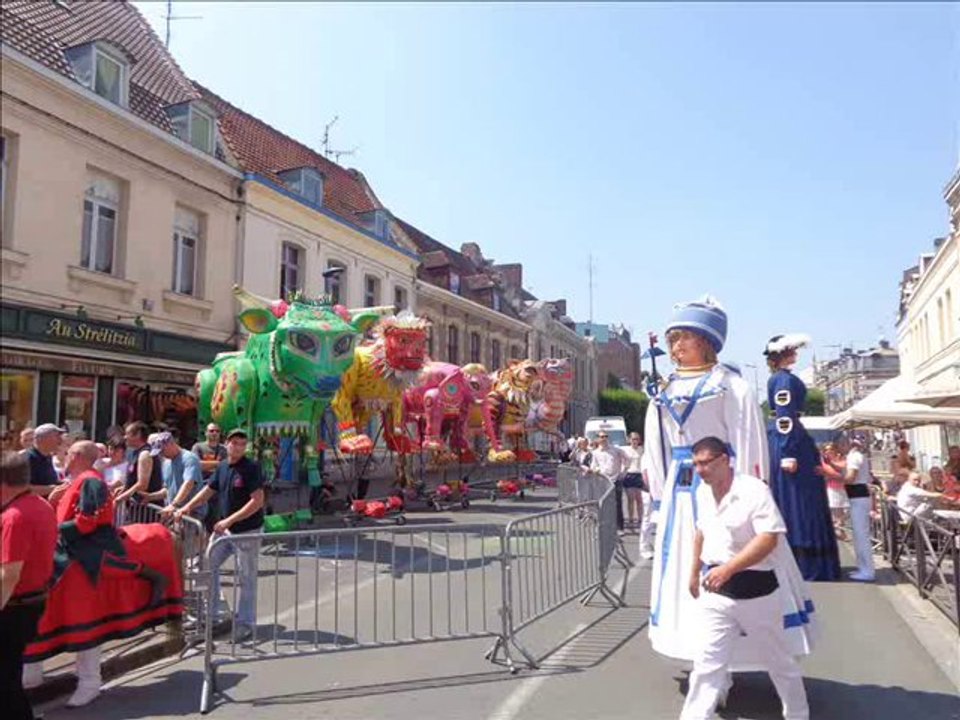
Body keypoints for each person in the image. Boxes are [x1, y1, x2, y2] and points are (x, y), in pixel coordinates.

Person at [643, 296, 813, 666]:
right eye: (672, 339)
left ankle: (740, 655)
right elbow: (656, 446)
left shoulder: (731, 386)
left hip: (723, 485)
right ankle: (699, 653)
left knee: (731, 559)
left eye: (684, 337)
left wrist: (750, 493)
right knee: (683, 564)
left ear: (706, 340)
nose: (676, 346)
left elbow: (748, 439)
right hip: (679, 494)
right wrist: (658, 497)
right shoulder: (663, 389)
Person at [23, 440, 180, 707]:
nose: (64, 457)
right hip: (68, 544)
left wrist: (56, 531)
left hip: (89, 546)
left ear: (78, 456)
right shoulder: (74, 481)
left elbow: (88, 521)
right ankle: (31, 673)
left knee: (86, 608)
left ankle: (89, 682)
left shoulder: (91, 482)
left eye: (68, 454)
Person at [681, 436, 810, 720]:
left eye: (705, 463)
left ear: (724, 460)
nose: (700, 470)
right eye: (696, 464)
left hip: (757, 591)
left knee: (779, 663)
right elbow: (701, 532)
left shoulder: (753, 490)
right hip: (716, 592)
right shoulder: (702, 492)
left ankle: (797, 715)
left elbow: (768, 538)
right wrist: (693, 571)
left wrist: (729, 568)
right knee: (706, 666)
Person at [173, 429, 264, 640]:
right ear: (227, 444)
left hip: (247, 531)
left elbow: (257, 500)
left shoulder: (251, 468)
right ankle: (213, 614)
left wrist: (229, 520)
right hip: (225, 530)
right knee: (207, 564)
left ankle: (246, 623)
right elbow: (208, 491)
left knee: (246, 577)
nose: (238, 447)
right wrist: (186, 507)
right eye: (234, 443)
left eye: (242, 443)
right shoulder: (223, 466)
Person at [763, 334, 840, 581]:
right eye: (793, 349)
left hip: (790, 437)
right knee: (801, 500)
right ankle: (804, 561)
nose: (796, 352)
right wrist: (788, 453)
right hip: (790, 441)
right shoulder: (784, 379)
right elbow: (784, 415)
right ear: (784, 353)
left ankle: (796, 559)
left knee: (799, 498)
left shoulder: (781, 378)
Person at [1, 451, 58, 720]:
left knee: (6, 681)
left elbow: (8, 575)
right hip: (30, 603)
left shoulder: (15, 517)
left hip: (13, 607)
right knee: (10, 676)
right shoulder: (40, 505)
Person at [151, 432, 207, 521]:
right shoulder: (166, 463)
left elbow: (189, 483)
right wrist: (149, 497)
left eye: (162, 451)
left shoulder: (189, 459)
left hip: (191, 514)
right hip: (174, 514)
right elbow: (167, 490)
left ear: (171, 444)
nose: (161, 454)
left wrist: (174, 505)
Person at [844, 436, 875, 582]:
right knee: (858, 535)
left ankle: (867, 570)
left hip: (859, 495)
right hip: (856, 496)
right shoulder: (854, 456)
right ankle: (862, 567)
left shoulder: (854, 457)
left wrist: (832, 476)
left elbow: (851, 478)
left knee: (861, 535)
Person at [114, 422, 163, 504]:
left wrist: (121, 498)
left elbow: (142, 484)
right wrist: (125, 488)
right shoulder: (135, 453)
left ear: (138, 435)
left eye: (128, 434)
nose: (125, 437)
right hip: (134, 505)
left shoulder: (145, 454)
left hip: (146, 506)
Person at [589, 431, 629, 531]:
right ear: (598, 439)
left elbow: (627, 459)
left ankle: (620, 527)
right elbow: (593, 466)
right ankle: (606, 525)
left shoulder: (616, 450)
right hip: (603, 480)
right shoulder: (595, 453)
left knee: (617, 503)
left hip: (615, 479)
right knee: (604, 503)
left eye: (606, 436)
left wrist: (623, 472)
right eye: (601, 437)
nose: (604, 439)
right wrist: (596, 470)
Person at [25, 424, 67, 500]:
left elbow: (48, 481)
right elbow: (22, 489)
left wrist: (64, 484)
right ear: (41, 439)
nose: (60, 440)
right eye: (56, 436)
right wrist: (53, 488)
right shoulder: (28, 459)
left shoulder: (48, 458)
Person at [819, 443, 849, 541]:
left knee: (847, 510)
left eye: (831, 449)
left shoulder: (842, 459)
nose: (829, 452)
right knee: (836, 511)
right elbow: (829, 474)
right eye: (826, 450)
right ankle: (840, 532)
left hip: (844, 488)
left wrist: (832, 469)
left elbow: (842, 469)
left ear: (836, 450)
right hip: (832, 489)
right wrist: (832, 473)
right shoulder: (823, 462)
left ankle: (836, 526)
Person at [621, 432, 646, 532]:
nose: (635, 441)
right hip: (629, 474)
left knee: (639, 499)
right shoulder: (625, 450)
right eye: (633, 439)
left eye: (637, 439)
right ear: (629, 440)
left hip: (639, 474)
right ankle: (631, 520)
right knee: (630, 499)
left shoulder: (642, 450)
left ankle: (640, 519)